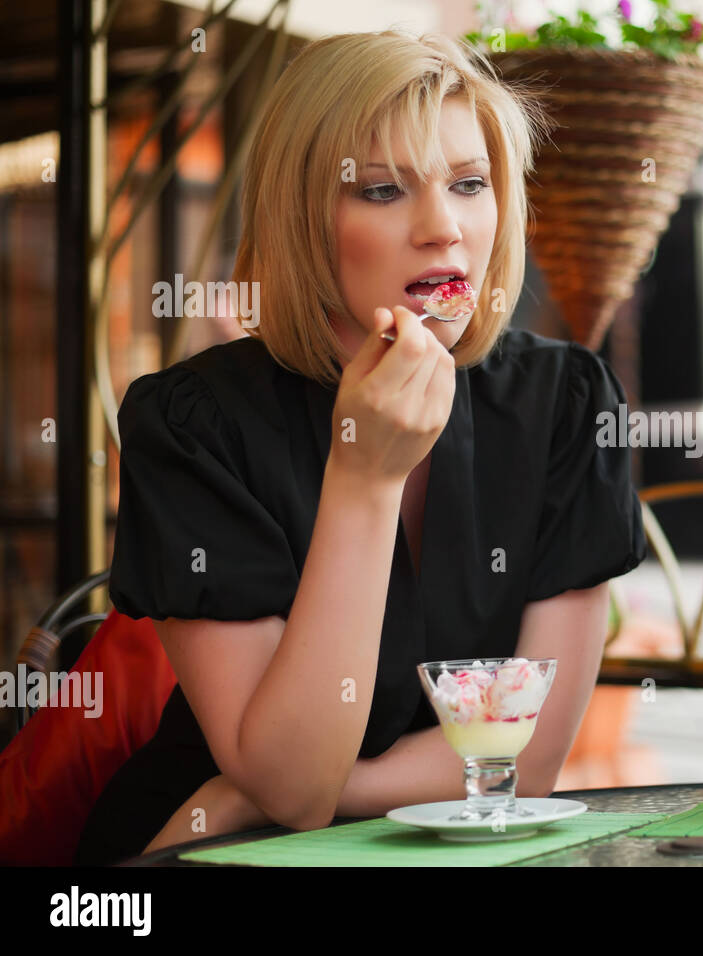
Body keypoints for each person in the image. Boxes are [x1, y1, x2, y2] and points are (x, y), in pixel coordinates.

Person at [76, 31, 646, 865]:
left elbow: (528, 756)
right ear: (303, 218)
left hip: (389, 839)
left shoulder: (564, 403)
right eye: (382, 189)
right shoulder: (192, 424)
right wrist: (365, 477)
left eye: (469, 184)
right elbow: (295, 783)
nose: (443, 228)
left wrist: (268, 794)